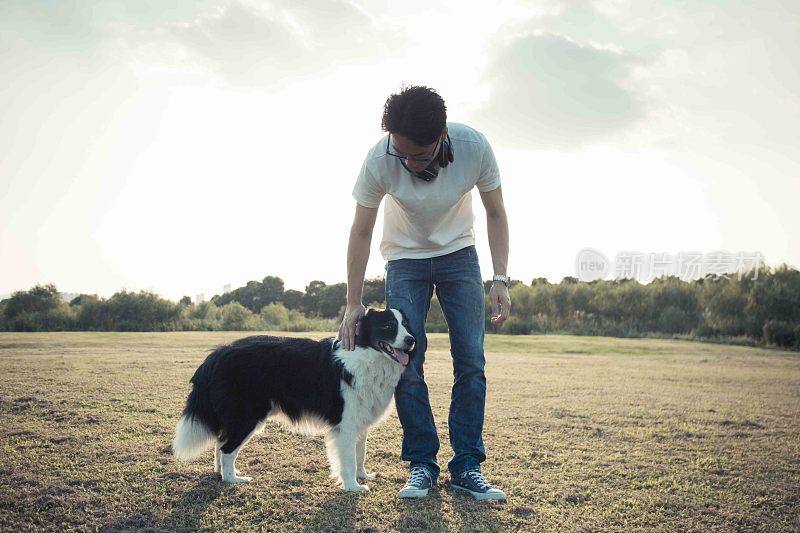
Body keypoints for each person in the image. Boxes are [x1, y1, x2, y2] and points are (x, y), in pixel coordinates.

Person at [337, 85, 511, 501]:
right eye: (402, 153)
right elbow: (361, 230)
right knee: (405, 363)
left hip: (459, 255)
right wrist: (353, 302)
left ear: (442, 135)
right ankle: (422, 465)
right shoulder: (381, 158)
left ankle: (467, 465)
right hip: (403, 259)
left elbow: (496, 211)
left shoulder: (474, 147)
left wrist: (500, 278)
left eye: (418, 154)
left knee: (471, 360)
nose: (408, 162)